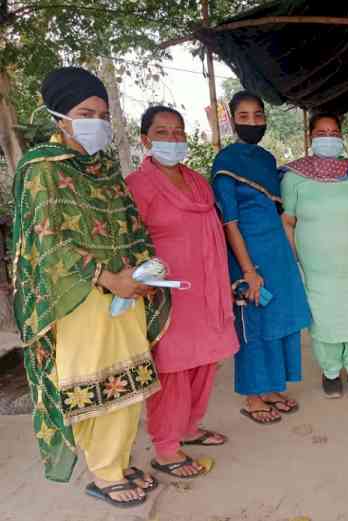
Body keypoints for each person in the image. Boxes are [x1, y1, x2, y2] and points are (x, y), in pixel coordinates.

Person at [11, 67, 170, 507]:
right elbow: (48, 240)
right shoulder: (42, 169)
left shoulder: (104, 168)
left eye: (102, 114)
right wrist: (106, 277)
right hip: (79, 298)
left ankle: (116, 460)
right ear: (59, 115)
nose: (96, 122)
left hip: (127, 293)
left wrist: (143, 271)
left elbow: (130, 224)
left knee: (131, 380)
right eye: (86, 112)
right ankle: (103, 472)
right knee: (95, 382)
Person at [126, 106, 238, 478]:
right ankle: (166, 448)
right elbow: (128, 242)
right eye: (163, 132)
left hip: (208, 288)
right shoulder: (137, 185)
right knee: (172, 369)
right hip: (168, 295)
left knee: (205, 362)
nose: (173, 139)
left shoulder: (197, 182)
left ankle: (190, 428)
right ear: (145, 140)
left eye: (178, 132)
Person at [210, 91, 311, 425]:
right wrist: (248, 271)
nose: (253, 123)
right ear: (232, 119)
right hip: (248, 253)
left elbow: (279, 212)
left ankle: (270, 389)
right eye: (244, 116)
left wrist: (293, 257)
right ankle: (253, 398)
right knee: (253, 326)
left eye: (258, 116)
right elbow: (230, 222)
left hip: (277, 253)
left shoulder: (267, 160)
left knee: (280, 322)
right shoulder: (225, 162)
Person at [281, 113, 348, 398]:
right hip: (316, 270)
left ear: (341, 137)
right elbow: (288, 222)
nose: (328, 138)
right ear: (310, 138)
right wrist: (293, 263)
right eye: (321, 133)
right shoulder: (294, 178)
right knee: (323, 319)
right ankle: (330, 372)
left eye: (333, 133)